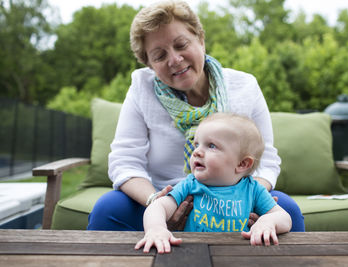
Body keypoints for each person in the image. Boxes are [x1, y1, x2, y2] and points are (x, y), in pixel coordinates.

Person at [87, 0, 304, 232]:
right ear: (149, 65)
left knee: (287, 210)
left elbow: (266, 160)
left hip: (233, 199)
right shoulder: (142, 87)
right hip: (164, 198)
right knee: (108, 208)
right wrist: (158, 205)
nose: (174, 59)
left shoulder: (244, 86)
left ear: (201, 39)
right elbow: (125, 162)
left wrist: (246, 201)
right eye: (159, 56)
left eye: (181, 45)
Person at [135, 113, 292, 253]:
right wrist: (156, 229)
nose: (196, 151)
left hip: (239, 255)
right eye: (196, 144)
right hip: (193, 253)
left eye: (211, 146)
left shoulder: (253, 189)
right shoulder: (190, 184)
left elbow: (284, 218)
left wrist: (267, 221)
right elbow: (158, 206)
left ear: (242, 164)